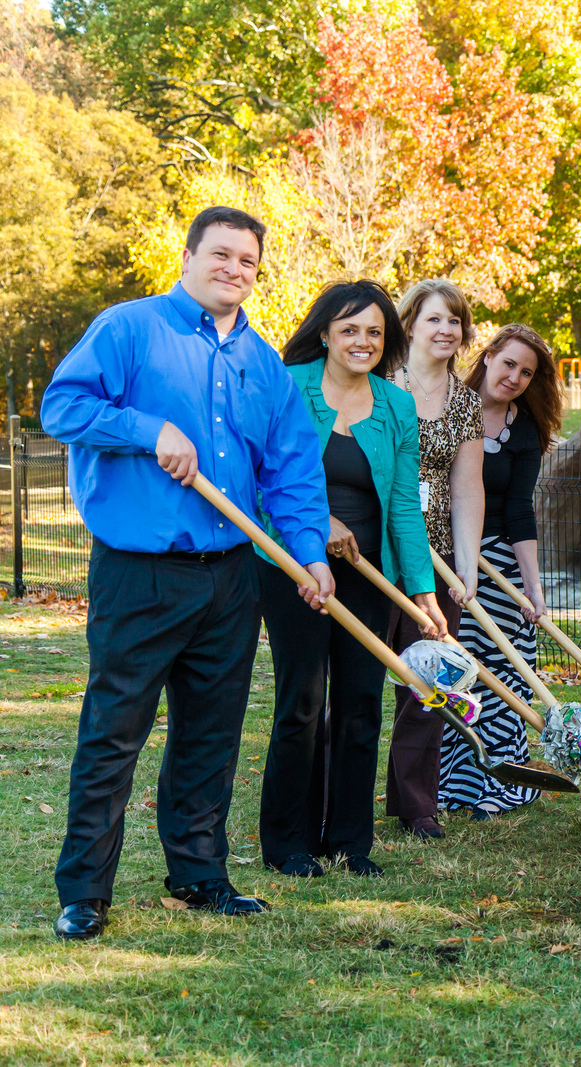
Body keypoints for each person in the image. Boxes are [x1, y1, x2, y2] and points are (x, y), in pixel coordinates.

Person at [41, 206, 334, 939]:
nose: (234, 270)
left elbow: (293, 472)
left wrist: (309, 555)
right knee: (114, 732)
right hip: (139, 572)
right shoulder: (129, 328)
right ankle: (85, 891)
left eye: (248, 262)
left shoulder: (263, 364)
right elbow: (62, 406)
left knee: (211, 732)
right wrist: (149, 432)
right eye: (222, 255)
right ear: (189, 254)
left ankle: (200, 874)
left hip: (231, 576)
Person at [257, 281, 447, 878]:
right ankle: (289, 842)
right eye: (349, 329)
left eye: (373, 331)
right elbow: (258, 484)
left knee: (362, 702)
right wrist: (317, 524)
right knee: (303, 702)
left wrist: (421, 592)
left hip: (367, 574)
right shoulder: (287, 388)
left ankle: (349, 842)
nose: (362, 341)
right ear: (324, 334)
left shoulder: (395, 405)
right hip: (291, 567)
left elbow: (404, 507)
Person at [438, 324, 563, 817]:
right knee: (458, 669)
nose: (514, 376)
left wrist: (532, 588)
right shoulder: (443, 406)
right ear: (487, 356)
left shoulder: (524, 430)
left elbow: (519, 510)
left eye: (527, 372)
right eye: (509, 363)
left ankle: (497, 781)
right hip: (448, 554)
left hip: (500, 559)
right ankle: (450, 782)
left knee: (507, 669)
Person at [385, 278, 484, 838]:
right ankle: (331, 797)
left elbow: (469, 487)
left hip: (438, 558)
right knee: (348, 685)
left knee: (431, 682)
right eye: (435, 319)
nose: (446, 330)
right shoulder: (376, 386)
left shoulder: (466, 401)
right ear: (411, 326)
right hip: (375, 556)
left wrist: (466, 566)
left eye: (455, 321)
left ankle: (416, 806)